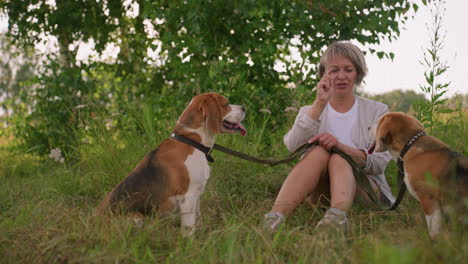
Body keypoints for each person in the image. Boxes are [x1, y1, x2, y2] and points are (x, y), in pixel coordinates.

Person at [263, 41, 394, 232]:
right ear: (324, 74)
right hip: (319, 191)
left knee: (339, 157)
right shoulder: (310, 110)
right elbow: (292, 146)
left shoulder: (377, 110)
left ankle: (337, 218)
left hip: (365, 189)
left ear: (358, 73)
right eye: (334, 70)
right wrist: (319, 105)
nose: (341, 76)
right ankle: (274, 219)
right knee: (318, 152)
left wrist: (341, 147)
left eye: (348, 69)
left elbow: (379, 162)